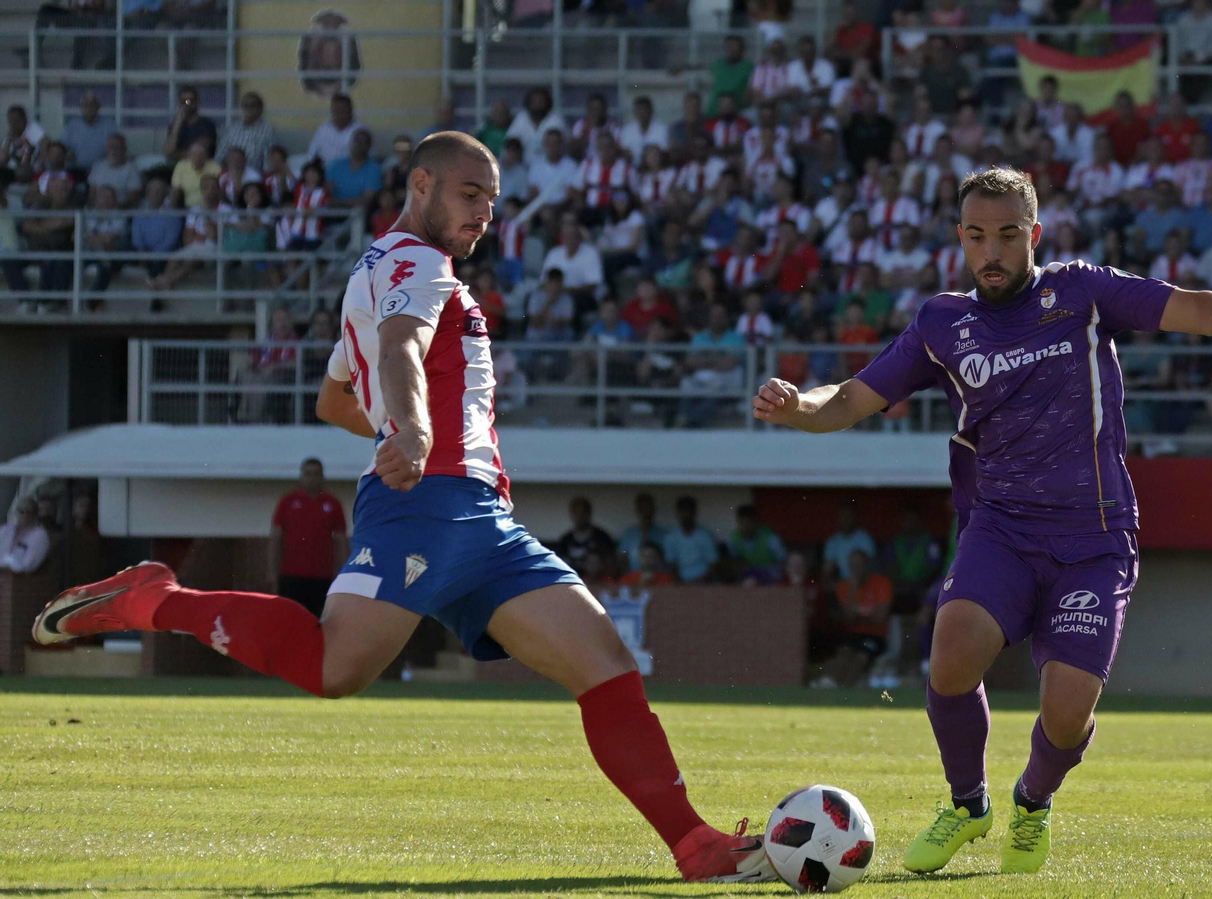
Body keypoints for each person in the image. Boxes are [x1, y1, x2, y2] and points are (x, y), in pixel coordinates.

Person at [32, 131, 775, 885]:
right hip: (429, 505)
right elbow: (400, 350)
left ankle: (694, 844)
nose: (484, 213)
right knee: (333, 666)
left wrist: (400, 426)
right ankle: (155, 599)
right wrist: (414, 430)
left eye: (491, 201)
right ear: (421, 184)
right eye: (469, 194)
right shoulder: (418, 265)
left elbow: (334, 399)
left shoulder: (381, 269)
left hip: (482, 516)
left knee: (605, 664)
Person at [753, 166, 1212, 875]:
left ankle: (1032, 802)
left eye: (1008, 235)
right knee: (952, 651)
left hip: (1094, 537)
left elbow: (1179, 306)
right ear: (960, 238)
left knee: (1068, 710)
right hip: (1002, 526)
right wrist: (797, 406)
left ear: (1034, 234)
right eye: (978, 236)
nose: (993, 251)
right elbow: (853, 397)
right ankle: (967, 803)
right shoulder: (942, 323)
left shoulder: (1080, 291)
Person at [269, 457, 347, 617]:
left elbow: (341, 541)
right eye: (308, 474)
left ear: (322, 477)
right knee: (291, 619)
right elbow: (276, 538)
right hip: (291, 576)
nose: (312, 478)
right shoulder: (287, 502)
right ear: (301, 476)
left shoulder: (333, 504)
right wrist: (272, 571)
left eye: (316, 474)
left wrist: (342, 574)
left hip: (322, 577)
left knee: (318, 621)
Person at [809, 548, 893, 689]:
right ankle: (828, 682)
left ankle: (846, 689)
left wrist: (858, 614)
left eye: (860, 564)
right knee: (843, 653)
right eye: (853, 565)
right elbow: (848, 619)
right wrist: (854, 591)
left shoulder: (882, 583)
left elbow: (879, 618)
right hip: (853, 634)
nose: (856, 568)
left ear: (867, 565)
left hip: (875, 636)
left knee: (861, 657)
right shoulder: (844, 587)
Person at [552, 496, 618, 573]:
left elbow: (611, 564)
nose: (580, 517)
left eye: (583, 513)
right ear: (572, 514)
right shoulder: (565, 540)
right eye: (576, 513)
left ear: (589, 514)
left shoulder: (602, 538)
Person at [662, 495, 719, 584]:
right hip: (679, 583)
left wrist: (700, 581)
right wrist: (680, 582)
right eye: (682, 512)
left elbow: (713, 563)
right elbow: (670, 564)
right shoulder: (670, 537)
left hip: (703, 583)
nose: (686, 515)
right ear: (677, 514)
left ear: (694, 513)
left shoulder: (705, 536)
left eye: (688, 511)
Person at [217, 91, 278, 171]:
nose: (249, 109)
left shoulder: (268, 129)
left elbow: (269, 160)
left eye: (252, 106)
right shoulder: (233, 128)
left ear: (260, 109)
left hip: (254, 174)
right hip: (231, 172)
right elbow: (220, 156)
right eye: (245, 106)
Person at [727, 504, 786, 585]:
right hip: (748, 573)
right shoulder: (734, 538)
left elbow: (782, 560)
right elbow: (733, 560)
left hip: (769, 572)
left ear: (756, 522)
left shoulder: (770, 536)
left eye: (749, 523)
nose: (745, 527)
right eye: (742, 522)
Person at [616, 493, 667, 571]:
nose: (646, 512)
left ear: (653, 510)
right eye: (642, 509)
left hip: (658, 576)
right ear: (637, 510)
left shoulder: (663, 534)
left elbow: (668, 560)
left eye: (648, 508)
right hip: (634, 576)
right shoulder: (628, 535)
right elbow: (622, 558)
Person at [307, 94, 364, 164]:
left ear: (350, 110)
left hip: (349, 170)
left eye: (343, 109)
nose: (339, 113)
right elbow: (312, 154)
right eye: (336, 109)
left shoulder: (361, 130)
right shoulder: (323, 129)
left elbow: (365, 159)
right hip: (325, 169)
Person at [0, 497, 51, 574]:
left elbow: (28, 566)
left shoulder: (40, 536)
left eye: (29, 512)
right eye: (21, 512)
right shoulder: (6, 529)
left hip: (20, 578)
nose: (25, 515)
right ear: (17, 513)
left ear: (36, 514)